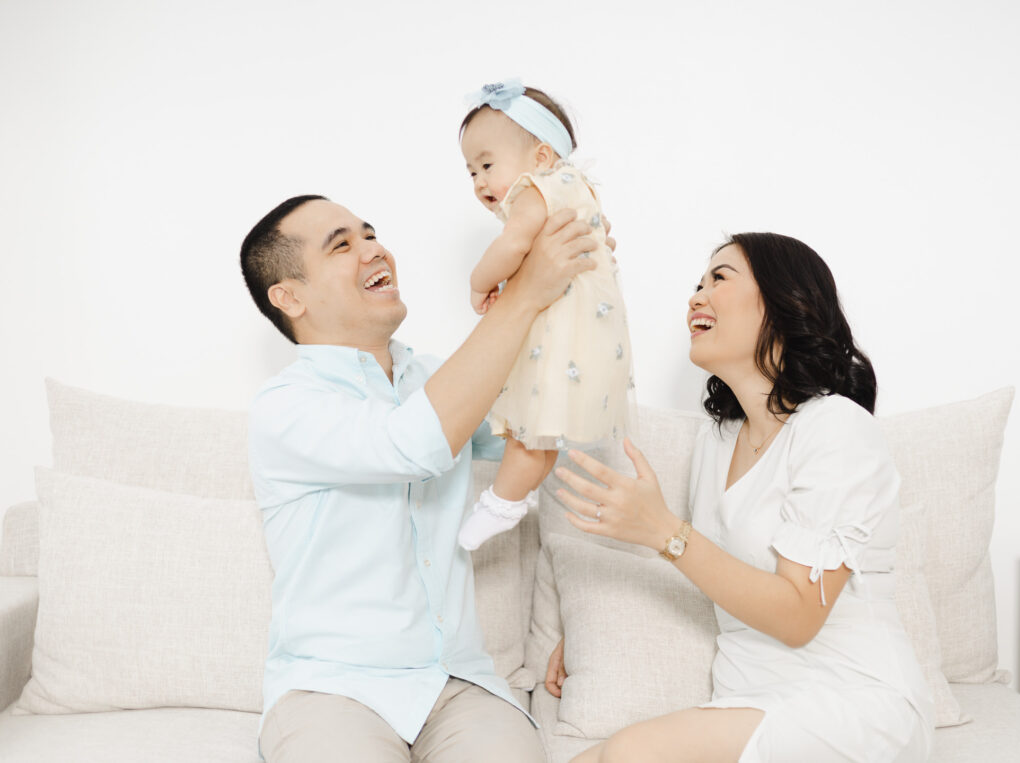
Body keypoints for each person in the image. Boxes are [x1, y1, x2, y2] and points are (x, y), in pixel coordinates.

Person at [239, 193, 600, 762]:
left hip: (459, 685)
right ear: (289, 297)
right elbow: (413, 445)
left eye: (369, 233)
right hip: (332, 690)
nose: (373, 249)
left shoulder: (432, 379)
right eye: (342, 245)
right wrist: (525, 294)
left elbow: (546, 422)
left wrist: (580, 285)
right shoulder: (285, 406)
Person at [547, 233, 934, 762]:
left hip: (852, 703)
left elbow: (799, 614)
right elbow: (719, 571)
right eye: (697, 283)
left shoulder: (838, 429)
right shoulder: (717, 442)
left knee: (629, 754)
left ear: (782, 303)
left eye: (719, 278)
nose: (696, 297)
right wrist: (600, 622)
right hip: (749, 699)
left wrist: (664, 531)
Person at [456, 79, 635, 552]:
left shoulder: (535, 191)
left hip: (564, 338)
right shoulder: (579, 190)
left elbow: (514, 244)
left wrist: (480, 282)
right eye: (470, 172)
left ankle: (503, 503)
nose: (478, 182)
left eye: (487, 165)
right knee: (537, 434)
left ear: (539, 157)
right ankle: (506, 502)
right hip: (591, 337)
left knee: (529, 431)